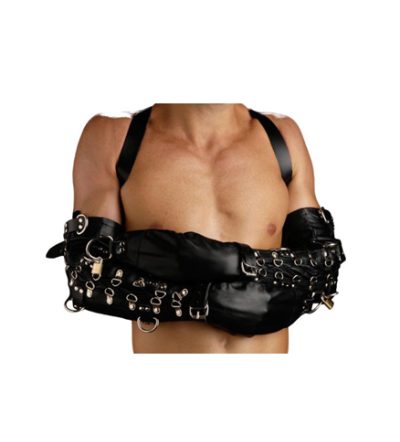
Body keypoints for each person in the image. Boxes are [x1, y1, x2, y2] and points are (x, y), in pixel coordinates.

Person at [72, 103, 321, 354]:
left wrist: (231, 262)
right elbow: (87, 272)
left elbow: (321, 267)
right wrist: (204, 301)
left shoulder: (282, 135)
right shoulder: (114, 136)